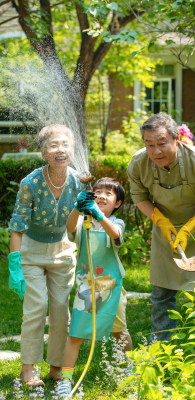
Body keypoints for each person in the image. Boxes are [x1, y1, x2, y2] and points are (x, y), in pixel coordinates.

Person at [127, 112, 195, 342]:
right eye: (149, 144)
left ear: (177, 139)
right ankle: (161, 348)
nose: (156, 151)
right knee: (162, 291)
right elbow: (139, 198)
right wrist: (162, 222)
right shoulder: (138, 162)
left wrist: (188, 228)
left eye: (162, 143)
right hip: (165, 225)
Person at [8, 124, 84, 386]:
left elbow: (83, 223)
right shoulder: (30, 183)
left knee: (62, 309)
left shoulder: (78, 181)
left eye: (65, 144)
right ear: (43, 153)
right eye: (53, 145)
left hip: (63, 250)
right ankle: (27, 370)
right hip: (32, 251)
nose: (60, 150)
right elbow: (17, 226)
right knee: (36, 308)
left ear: (73, 150)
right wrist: (14, 264)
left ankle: (55, 367)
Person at [57, 177, 132, 398]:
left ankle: (130, 369)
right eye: (97, 192)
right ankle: (65, 381)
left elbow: (115, 235)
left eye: (108, 194)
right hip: (87, 287)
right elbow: (70, 227)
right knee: (77, 333)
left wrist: (98, 215)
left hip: (111, 287)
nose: (101, 196)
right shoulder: (83, 222)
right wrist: (76, 208)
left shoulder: (116, 223)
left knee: (119, 331)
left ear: (117, 203)